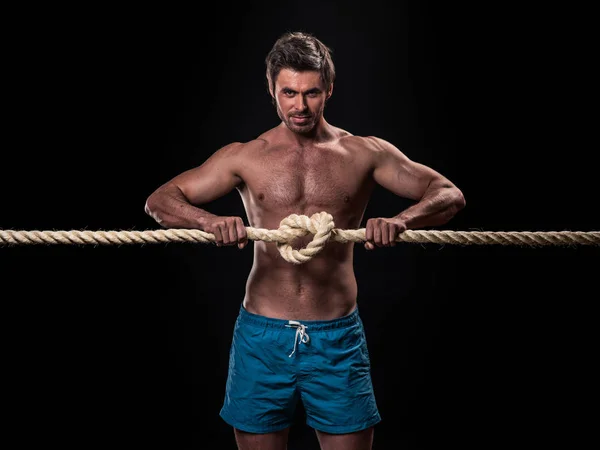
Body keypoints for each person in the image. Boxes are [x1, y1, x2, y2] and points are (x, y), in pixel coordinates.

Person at [144, 31, 465, 450]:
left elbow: (448, 194)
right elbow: (160, 201)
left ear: (328, 89)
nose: (300, 105)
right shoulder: (246, 156)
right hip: (261, 336)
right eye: (289, 93)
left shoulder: (362, 153)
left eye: (311, 92)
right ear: (272, 90)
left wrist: (402, 221)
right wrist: (208, 221)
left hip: (337, 338)